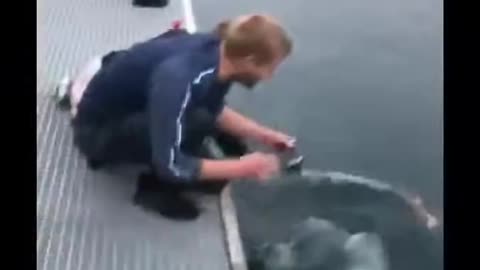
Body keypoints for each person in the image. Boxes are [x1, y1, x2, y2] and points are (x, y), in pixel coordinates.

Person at [57, 14, 295, 220]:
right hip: (96, 134)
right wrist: (244, 168)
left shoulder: (218, 53)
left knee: (203, 123)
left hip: (136, 107)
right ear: (250, 60)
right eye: (270, 68)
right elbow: (171, 164)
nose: (269, 77)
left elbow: (214, 108)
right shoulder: (179, 78)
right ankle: (153, 191)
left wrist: (263, 134)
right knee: (197, 130)